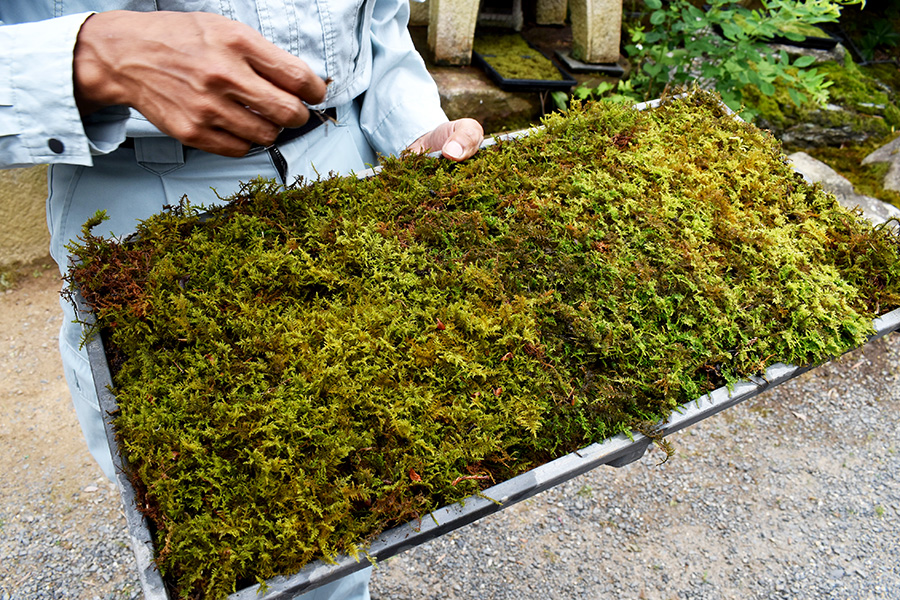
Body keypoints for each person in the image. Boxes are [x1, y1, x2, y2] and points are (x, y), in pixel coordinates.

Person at [0, 3, 484, 598]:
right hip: (144, 215)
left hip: (343, 167)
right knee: (229, 547)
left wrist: (409, 123)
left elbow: (377, 20)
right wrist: (93, 56)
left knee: (348, 522)